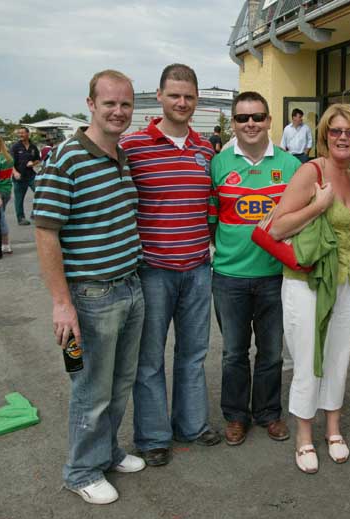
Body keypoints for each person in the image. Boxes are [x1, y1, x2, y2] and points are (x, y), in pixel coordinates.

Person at [33, 69, 146, 505]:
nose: (118, 112)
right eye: (110, 103)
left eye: (125, 104)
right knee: (91, 390)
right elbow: (45, 234)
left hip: (129, 287)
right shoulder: (66, 158)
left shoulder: (120, 156)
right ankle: (81, 471)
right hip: (90, 296)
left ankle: (107, 452)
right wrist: (62, 304)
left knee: (119, 384)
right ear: (91, 104)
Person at [119, 63, 221, 468]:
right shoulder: (132, 146)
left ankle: (192, 425)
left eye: (189, 96)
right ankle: (152, 436)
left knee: (194, 353)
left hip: (197, 267)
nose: (182, 102)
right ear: (159, 96)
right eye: (174, 94)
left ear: (196, 101)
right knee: (149, 360)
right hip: (153, 270)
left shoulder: (206, 149)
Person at [269, 103, 350, 474]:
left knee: (338, 355)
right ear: (325, 134)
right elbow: (278, 227)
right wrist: (319, 204)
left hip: (345, 279)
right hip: (307, 280)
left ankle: (333, 428)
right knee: (308, 357)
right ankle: (304, 435)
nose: (343, 137)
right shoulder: (311, 171)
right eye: (336, 131)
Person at [209, 91, 301, 447]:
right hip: (229, 276)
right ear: (233, 123)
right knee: (233, 353)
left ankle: (267, 413)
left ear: (269, 121)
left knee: (271, 352)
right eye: (243, 118)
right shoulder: (218, 164)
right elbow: (210, 217)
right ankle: (235, 416)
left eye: (258, 117)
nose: (251, 124)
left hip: (275, 276)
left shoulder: (291, 165)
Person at [10, 126, 40, 225]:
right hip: (19, 177)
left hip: (31, 176)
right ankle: (21, 218)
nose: (20, 135)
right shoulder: (15, 147)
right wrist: (15, 172)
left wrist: (33, 163)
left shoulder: (33, 146)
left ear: (28, 134)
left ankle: (35, 213)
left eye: (22, 133)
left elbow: (38, 159)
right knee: (19, 199)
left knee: (41, 193)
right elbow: (10, 162)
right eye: (19, 133)